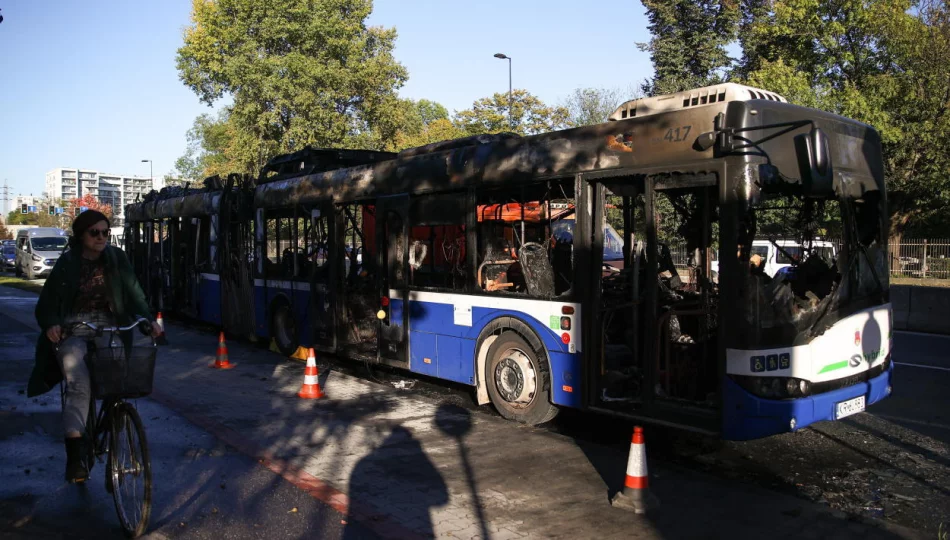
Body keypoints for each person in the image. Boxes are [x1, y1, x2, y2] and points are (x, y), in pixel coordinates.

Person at [27, 210, 159, 483]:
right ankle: (75, 459)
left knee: (122, 377)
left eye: (105, 232)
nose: (101, 238)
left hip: (110, 326)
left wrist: (147, 318)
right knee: (79, 384)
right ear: (81, 235)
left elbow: (134, 292)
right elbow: (47, 304)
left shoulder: (116, 258)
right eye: (94, 232)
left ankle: (113, 433)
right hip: (73, 328)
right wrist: (52, 323)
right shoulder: (67, 263)